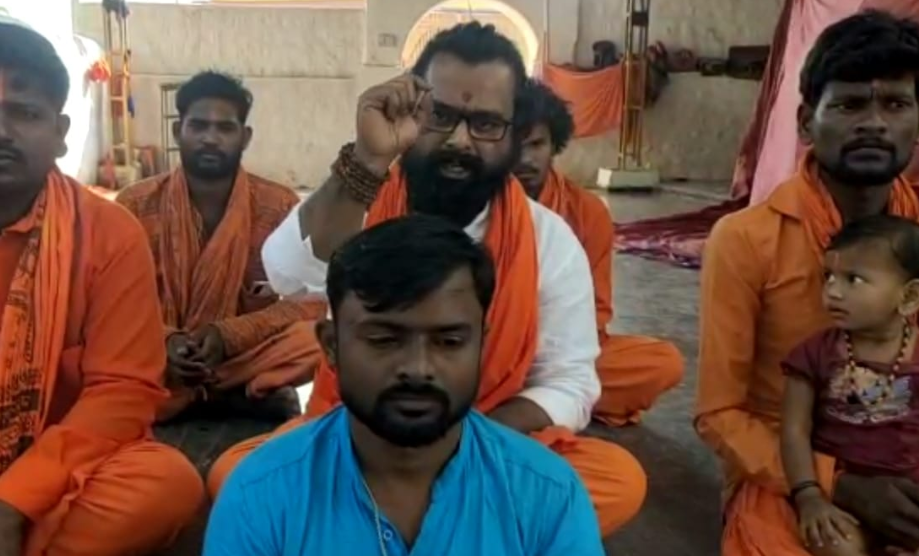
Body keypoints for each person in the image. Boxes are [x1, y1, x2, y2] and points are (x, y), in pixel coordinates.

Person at [206, 22, 647, 536]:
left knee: (615, 479)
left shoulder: (547, 239)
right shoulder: (363, 201)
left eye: (485, 124)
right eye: (440, 115)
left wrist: (462, 447)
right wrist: (367, 160)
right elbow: (287, 274)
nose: (459, 140)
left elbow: (570, 381)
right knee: (237, 476)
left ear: (513, 134)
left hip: (487, 442)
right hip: (355, 435)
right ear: (410, 109)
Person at [0, 22, 204, 556]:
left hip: (58, 480)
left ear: (60, 131)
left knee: (166, 484)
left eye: (24, 113)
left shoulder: (109, 234)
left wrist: (5, 506)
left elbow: (122, 394)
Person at [696, 11, 919, 556]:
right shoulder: (746, 238)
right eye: (849, 105)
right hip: (786, 472)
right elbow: (719, 414)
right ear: (805, 122)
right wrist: (835, 483)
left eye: (895, 104)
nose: (874, 124)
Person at [203, 215, 605, 555]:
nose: (417, 368)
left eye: (449, 342)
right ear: (331, 347)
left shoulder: (548, 494)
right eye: (384, 340)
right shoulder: (260, 495)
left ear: (481, 344)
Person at [118, 71, 323, 422]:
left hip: (240, 356)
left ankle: (198, 391)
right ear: (178, 131)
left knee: (317, 340)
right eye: (198, 126)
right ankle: (230, 393)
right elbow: (113, 301)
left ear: (245, 137)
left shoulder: (278, 206)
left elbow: (309, 302)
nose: (211, 138)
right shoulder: (135, 204)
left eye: (225, 128)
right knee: (83, 350)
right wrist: (166, 342)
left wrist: (228, 336)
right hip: (157, 356)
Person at [780, 216, 919, 556]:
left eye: (854, 279)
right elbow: (793, 431)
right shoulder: (814, 354)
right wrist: (809, 496)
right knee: (835, 545)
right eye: (828, 276)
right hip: (842, 501)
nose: (833, 291)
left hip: (918, 498)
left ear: (910, 297)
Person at [514, 79, 684, 426]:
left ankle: (539, 398)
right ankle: (548, 402)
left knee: (661, 364)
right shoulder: (478, 202)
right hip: (491, 351)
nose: (525, 159)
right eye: (514, 145)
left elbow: (595, 313)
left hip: (558, 350)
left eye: (536, 145)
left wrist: (545, 355)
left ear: (555, 145)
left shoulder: (587, 212)